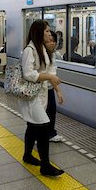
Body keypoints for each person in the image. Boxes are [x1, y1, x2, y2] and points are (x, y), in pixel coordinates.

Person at [20, 19, 64, 176]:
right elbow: (28, 73)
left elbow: (49, 71)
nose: (49, 33)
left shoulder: (42, 49)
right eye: (46, 31)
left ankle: (27, 155)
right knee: (44, 127)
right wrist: (48, 77)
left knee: (32, 127)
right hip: (32, 96)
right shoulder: (29, 50)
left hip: (40, 94)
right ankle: (45, 165)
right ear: (39, 32)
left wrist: (56, 87)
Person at [45, 31, 64, 142]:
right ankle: (40, 136)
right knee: (42, 114)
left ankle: (51, 133)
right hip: (40, 90)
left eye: (54, 41)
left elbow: (52, 75)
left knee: (52, 111)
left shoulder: (52, 54)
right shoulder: (40, 54)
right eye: (49, 41)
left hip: (49, 88)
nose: (52, 43)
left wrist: (58, 91)